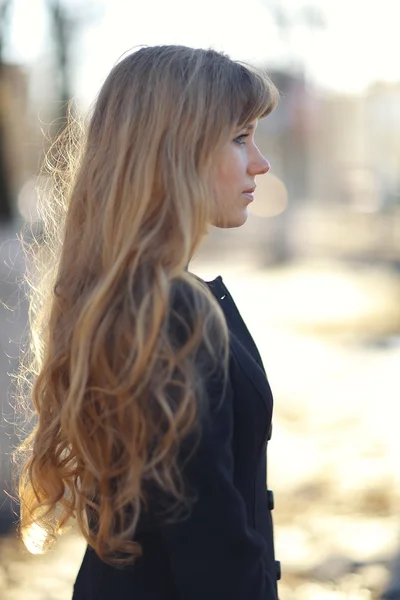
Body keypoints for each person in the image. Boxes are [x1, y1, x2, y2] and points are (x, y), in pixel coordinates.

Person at [15, 45, 280, 599]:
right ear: (173, 151)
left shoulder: (134, 297)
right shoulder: (167, 313)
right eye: (239, 138)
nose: (260, 162)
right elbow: (211, 548)